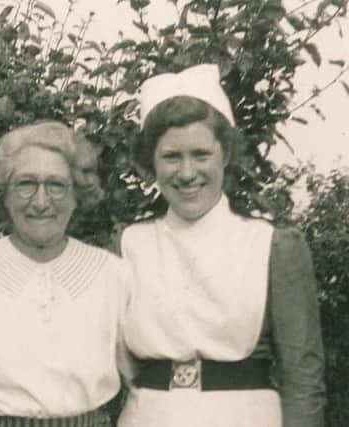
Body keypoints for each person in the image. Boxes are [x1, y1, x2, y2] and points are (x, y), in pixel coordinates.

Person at [117, 64, 326, 427]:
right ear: (151, 161)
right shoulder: (128, 245)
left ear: (225, 154)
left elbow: (303, 380)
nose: (186, 173)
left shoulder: (271, 246)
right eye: (171, 156)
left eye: (201, 154)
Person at [0, 121, 130, 426]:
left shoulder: (113, 274)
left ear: (77, 194)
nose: (41, 202)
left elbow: (140, 380)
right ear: (3, 193)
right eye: (26, 184)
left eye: (56, 185)